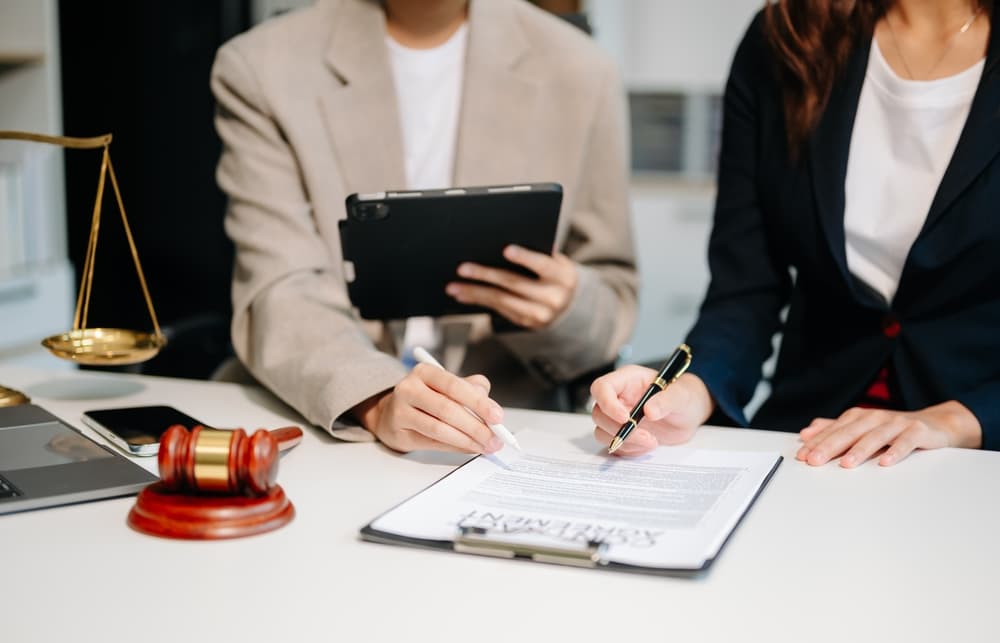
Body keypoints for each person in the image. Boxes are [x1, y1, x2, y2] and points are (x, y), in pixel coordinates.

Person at [211, 0, 637, 454]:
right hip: (327, 417)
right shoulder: (264, 65)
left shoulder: (582, 71)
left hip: (511, 425)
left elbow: (613, 294)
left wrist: (565, 307)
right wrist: (374, 396)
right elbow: (281, 286)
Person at [592, 0, 999, 467]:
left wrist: (953, 420)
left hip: (981, 461)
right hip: (807, 442)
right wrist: (689, 391)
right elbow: (745, 290)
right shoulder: (790, 33)